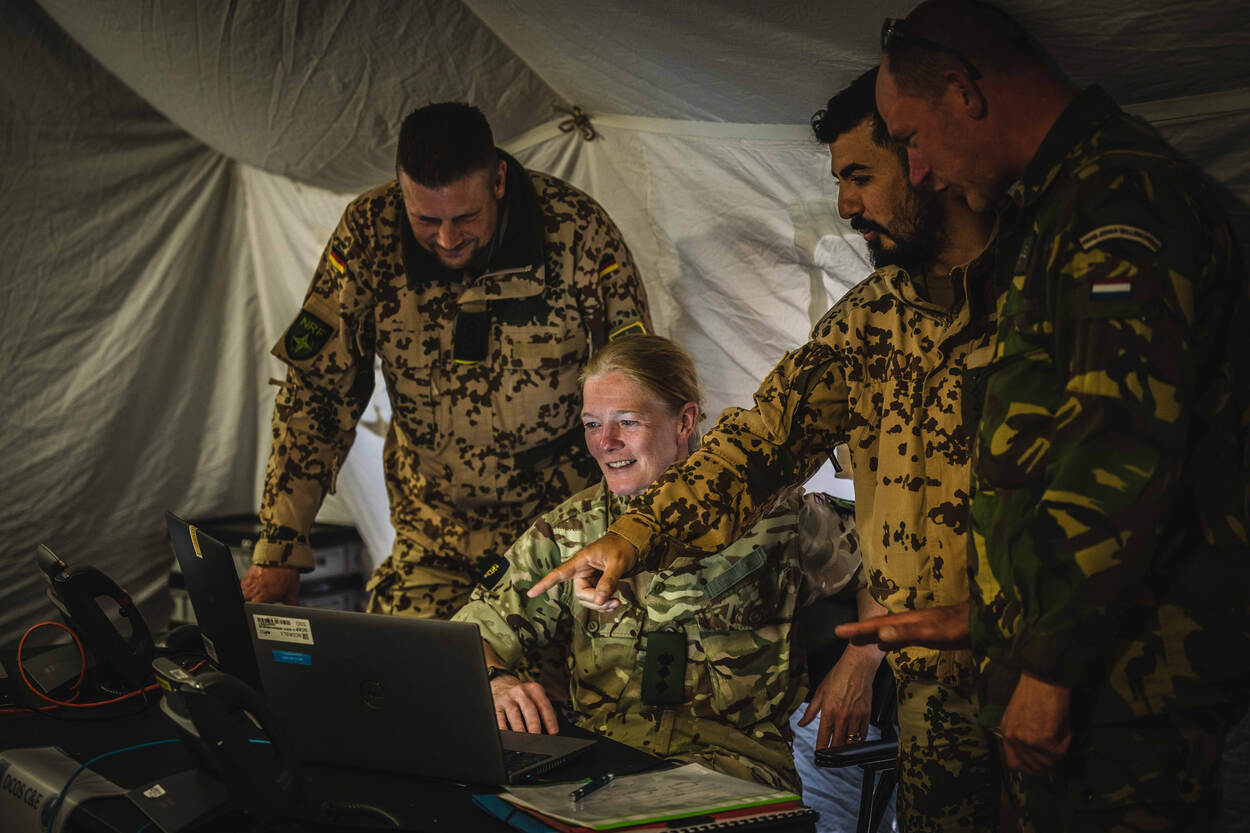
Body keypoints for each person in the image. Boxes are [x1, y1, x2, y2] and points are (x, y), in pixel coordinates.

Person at [527, 69, 1002, 831]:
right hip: (935, 699)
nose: (846, 205)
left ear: (923, 161)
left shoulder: (1047, 289)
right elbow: (760, 441)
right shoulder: (871, 319)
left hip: (1060, 664)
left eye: (860, 175)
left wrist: (870, 652)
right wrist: (632, 535)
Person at [856, 1, 1250, 828]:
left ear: (966, 91)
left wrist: (1050, 666)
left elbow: (1119, 452)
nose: (916, 170)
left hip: (1126, 684)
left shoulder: (1122, 202)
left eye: (913, 138)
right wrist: (998, 620)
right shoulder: (1056, 207)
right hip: (1087, 669)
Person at [240, 102, 651, 624]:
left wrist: (635, 535)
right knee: (402, 685)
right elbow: (318, 393)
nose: (448, 239)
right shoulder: (370, 234)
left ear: (498, 180)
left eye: (465, 217)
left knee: (537, 702)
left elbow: (640, 394)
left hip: (559, 539)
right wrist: (281, 545)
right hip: (432, 540)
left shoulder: (576, 233)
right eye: (426, 220)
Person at [451, 334, 864, 792]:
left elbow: (894, 565)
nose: (605, 443)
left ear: (684, 421)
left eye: (626, 422)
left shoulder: (775, 518)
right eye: (591, 424)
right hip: (606, 761)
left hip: (733, 764)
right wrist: (497, 680)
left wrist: (860, 665)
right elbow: (469, 635)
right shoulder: (573, 530)